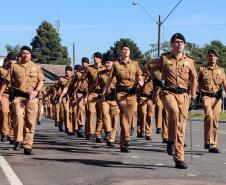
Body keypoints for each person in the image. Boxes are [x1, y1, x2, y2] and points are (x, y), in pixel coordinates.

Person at [146, 33, 197, 169]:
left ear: (184, 44)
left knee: (181, 127)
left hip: (184, 96)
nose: (179, 44)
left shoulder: (190, 61)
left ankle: (179, 158)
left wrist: (193, 96)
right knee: (173, 113)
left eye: (181, 42)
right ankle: (170, 141)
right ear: (171, 44)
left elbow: (194, 79)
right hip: (168, 92)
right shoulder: (164, 59)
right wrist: (155, 79)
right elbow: (148, 65)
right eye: (176, 42)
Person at [0, 46, 45, 155]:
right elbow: (6, 81)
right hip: (18, 97)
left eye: (27, 53)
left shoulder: (37, 67)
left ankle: (28, 146)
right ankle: (18, 140)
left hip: (32, 98)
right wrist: (0, 94)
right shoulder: (14, 67)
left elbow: (41, 81)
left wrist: (36, 91)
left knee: (30, 122)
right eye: (23, 53)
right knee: (18, 117)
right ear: (20, 55)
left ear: (31, 55)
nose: (25, 55)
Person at [101, 44, 144, 152]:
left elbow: (140, 77)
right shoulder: (116, 64)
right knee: (125, 114)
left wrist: (140, 83)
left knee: (128, 117)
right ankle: (127, 138)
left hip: (132, 93)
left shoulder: (135, 64)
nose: (125, 51)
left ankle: (123, 144)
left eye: (127, 49)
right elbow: (110, 80)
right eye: (124, 49)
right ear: (121, 51)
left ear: (130, 52)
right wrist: (103, 93)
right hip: (120, 94)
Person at [198, 49, 226, 153]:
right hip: (206, 96)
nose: (212, 57)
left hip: (217, 98)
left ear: (217, 58)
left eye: (214, 56)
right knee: (209, 116)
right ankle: (207, 141)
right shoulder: (202, 70)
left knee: (215, 120)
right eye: (210, 55)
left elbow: (225, 84)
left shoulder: (221, 71)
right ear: (207, 57)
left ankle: (213, 144)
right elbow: (195, 82)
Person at [75, 53, 105, 141]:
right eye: (94, 57)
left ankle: (98, 133)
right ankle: (90, 132)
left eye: (97, 57)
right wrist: (77, 90)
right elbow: (82, 79)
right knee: (91, 112)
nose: (95, 58)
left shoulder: (105, 69)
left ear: (100, 59)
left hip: (101, 94)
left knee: (100, 114)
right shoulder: (89, 68)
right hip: (91, 93)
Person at [98, 56, 120, 146]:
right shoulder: (101, 74)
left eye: (108, 63)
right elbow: (97, 84)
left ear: (113, 64)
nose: (106, 64)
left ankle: (111, 139)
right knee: (104, 113)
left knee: (115, 120)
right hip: (105, 98)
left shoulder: (118, 74)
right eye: (106, 63)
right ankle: (108, 130)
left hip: (115, 100)